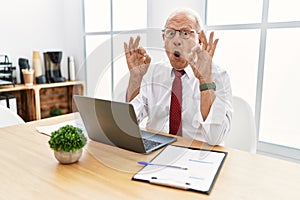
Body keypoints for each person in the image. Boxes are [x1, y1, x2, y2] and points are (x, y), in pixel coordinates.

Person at [123, 8, 232, 146]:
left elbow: (215, 138)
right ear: (163, 39)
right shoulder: (152, 72)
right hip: (155, 152)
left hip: (198, 156)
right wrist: (135, 78)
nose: (177, 41)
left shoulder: (218, 76)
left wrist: (205, 81)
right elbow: (129, 122)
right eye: (170, 33)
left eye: (185, 33)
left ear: (199, 40)